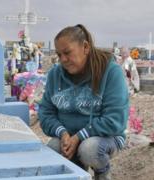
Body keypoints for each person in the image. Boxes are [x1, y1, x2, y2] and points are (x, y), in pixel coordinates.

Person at [38, 24, 129, 180]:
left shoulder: (111, 72)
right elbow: (46, 112)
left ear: (85, 47)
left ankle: (102, 173)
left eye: (67, 53)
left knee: (89, 149)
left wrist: (79, 136)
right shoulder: (55, 74)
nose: (63, 60)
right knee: (53, 148)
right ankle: (79, 173)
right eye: (59, 55)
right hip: (69, 136)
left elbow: (115, 119)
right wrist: (63, 133)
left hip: (105, 138)